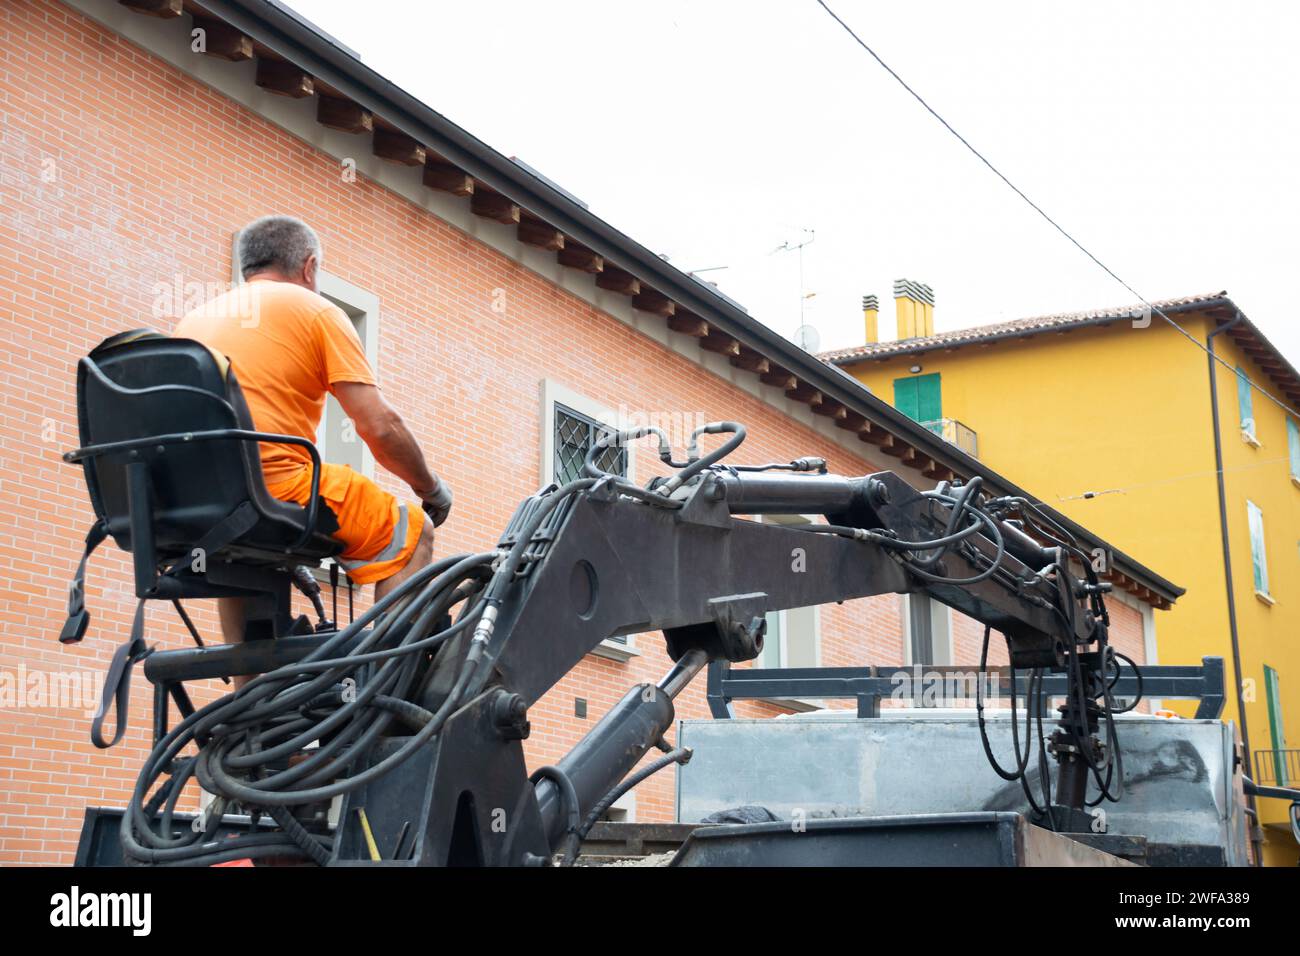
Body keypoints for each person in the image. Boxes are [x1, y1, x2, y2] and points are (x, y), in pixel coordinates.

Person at [174, 215, 451, 654]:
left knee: (239, 542)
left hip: (195, 500)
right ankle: (386, 690)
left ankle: (248, 704)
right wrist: (429, 487)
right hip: (273, 488)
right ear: (309, 267)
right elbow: (380, 426)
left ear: (249, 268)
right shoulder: (313, 309)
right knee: (410, 529)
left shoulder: (194, 320)